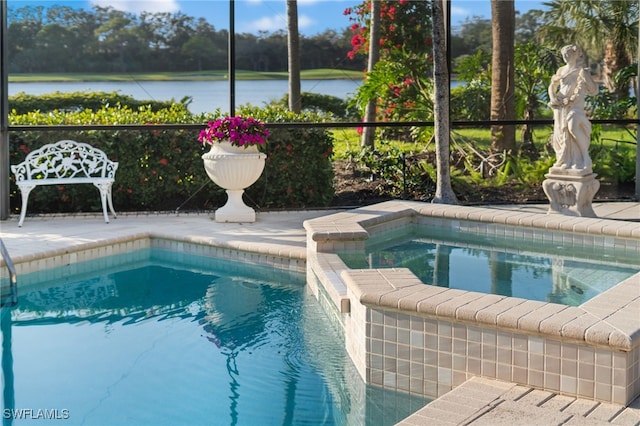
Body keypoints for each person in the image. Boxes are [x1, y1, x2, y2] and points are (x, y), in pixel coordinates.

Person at [548, 44, 599, 171]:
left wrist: (586, 77)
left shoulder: (581, 70)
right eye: (564, 54)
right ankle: (566, 161)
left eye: (568, 54)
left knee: (572, 126)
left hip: (575, 107)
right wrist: (552, 97)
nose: (565, 57)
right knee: (561, 134)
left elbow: (593, 91)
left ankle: (585, 157)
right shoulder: (561, 70)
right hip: (561, 106)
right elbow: (552, 86)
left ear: (576, 54)